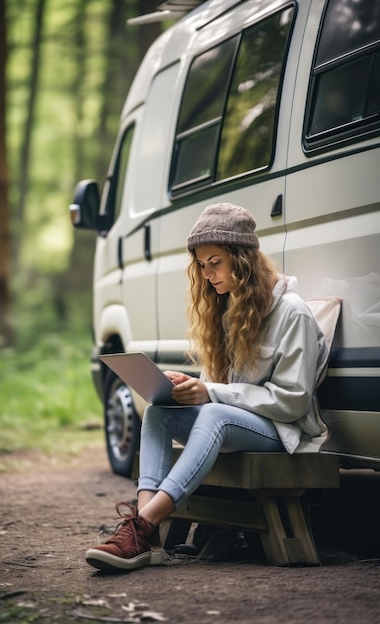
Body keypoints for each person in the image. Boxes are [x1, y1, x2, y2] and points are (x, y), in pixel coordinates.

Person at [85, 203, 329, 572]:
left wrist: (209, 392)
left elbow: (292, 402)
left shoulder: (292, 312)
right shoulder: (232, 308)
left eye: (215, 262)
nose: (207, 273)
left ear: (243, 259)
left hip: (284, 432)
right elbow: (227, 388)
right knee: (158, 411)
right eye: (201, 265)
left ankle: (144, 524)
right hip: (241, 423)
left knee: (213, 412)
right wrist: (191, 386)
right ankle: (145, 535)